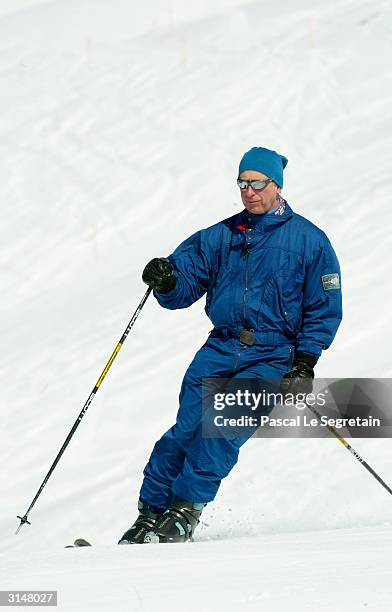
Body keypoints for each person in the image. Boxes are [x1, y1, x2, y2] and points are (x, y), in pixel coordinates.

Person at [119, 146, 342, 544]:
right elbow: (182, 286)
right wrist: (166, 280)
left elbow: (324, 308)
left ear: (277, 186)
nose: (249, 191)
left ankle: (186, 510)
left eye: (257, 183)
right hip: (220, 348)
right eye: (243, 183)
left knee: (220, 427)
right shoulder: (220, 236)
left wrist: (305, 361)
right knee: (185, 430)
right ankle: (151, 514)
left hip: (274, 355)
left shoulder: (309, 241)